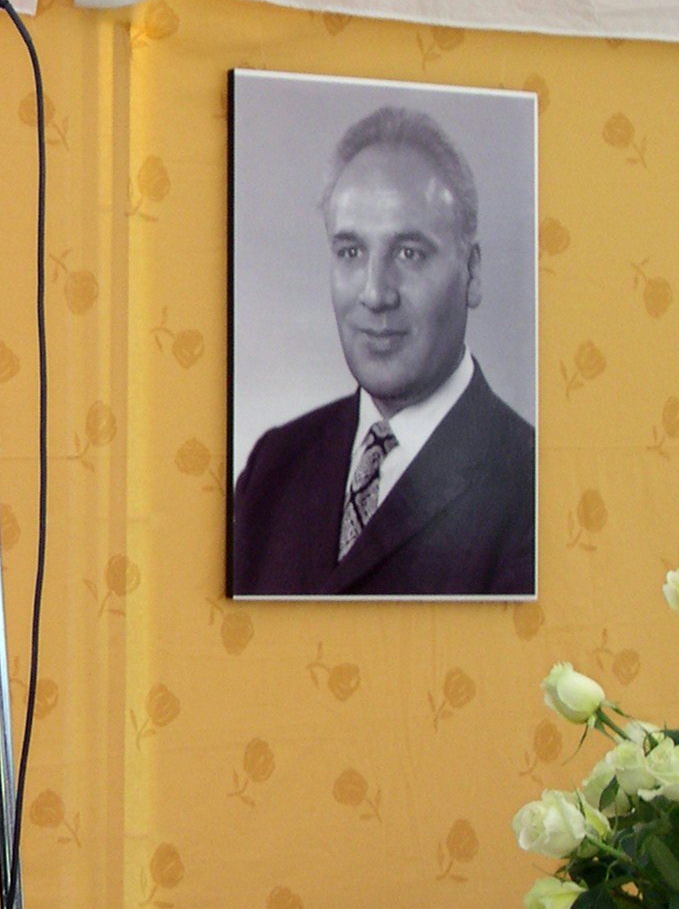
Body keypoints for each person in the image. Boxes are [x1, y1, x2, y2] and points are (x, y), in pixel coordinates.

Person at [227, 105, 534, 598]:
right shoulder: (274, 467)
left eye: (408, 253)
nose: (375, 293)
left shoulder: (530, 487)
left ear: (472, 273)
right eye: (351, 252)